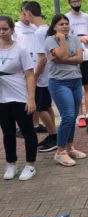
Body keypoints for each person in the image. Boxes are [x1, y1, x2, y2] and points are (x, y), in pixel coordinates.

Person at [45, 14, 87, 166]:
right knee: (68, 116)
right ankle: (60, 151)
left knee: (74, 115)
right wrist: (62, 40)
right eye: (61, 24)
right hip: (59, 83)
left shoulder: (75, 38)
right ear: (55, 26)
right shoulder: (50, 40)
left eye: (66, 24)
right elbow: (63, 55)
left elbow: (79, 58)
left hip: (76, 80)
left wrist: (64, 59)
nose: (65, 26)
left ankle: (70, 147)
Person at [0, 15, 38, 180]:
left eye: (5, 29)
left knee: (27, 131)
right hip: (2, 99)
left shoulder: (20, 49)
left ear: (11, 30)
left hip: (20, 97)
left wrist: (31, 98)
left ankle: (30, 165)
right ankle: (11, 164)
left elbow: (30, 75)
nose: (1, 32)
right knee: (7, 133)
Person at [24, 1, 58, 153]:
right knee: (46, 105)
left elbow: (42, 58)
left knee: (41, 107)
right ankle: (54, 134)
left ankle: (53, 136)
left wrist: (34, 76)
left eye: (25, 13)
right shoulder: (46, 29)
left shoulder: (39, 32)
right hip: (49, 75)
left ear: (29, 13)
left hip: (44, 77)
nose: (25, 17)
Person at [14, 1, 46, 136]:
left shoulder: (35, 27)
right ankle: (23, 127)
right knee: (24, 97)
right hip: (22, 68)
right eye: (22, 12)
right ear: (21, 12)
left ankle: (35, 124)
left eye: (26, 12)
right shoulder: (15, 28)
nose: (25, 15)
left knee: (37, 97)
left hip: (37, 66)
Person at [66, 0, 88, 128]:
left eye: (78, 1)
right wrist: (79, 39)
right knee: (77, 87)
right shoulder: (66, 18)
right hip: (74, 57)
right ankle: (80, 115)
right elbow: (64, 36)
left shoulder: (87, 17)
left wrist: (87, 39)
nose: (76, 3)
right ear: (69, 2)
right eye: (73, 1)